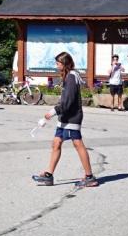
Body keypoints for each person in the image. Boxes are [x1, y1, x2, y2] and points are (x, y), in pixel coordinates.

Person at [32, 52, 98, 188]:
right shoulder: (68, 77)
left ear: (65, 64)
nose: (56, 66)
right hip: (65, 117)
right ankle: (48, 175)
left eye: (58, 63)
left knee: (78, 144)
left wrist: (51, 112)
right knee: (56, 143)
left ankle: (89, 177)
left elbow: (67, 102)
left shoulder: (72, 78)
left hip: (72, 117)